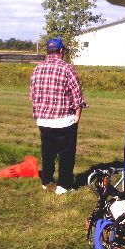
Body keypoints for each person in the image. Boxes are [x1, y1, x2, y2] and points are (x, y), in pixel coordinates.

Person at [30, 37, 86, 195]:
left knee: (47, 153)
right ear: (61, 51)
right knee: (66, 155)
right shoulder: (67, 69)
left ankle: (46, 180)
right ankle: (64, 185)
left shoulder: (37, 69)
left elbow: (33, 95)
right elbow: (77, 98)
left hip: (43, 120)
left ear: (48, 51)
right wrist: (77, 117)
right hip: (64, 121)